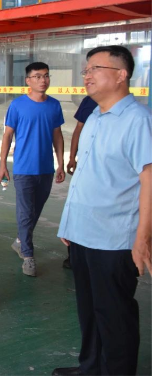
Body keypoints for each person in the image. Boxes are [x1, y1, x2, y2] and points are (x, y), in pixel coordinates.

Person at [52, 45, 151, 376]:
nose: (87, 75)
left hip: (114, 238)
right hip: (83, 233)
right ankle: (91, 367)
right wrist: (69, 224)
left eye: (95, 69)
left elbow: (149, 182)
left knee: (115, 314)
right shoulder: (94, 115)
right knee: (90, 310)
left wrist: (142, 239)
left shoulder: (138, 121)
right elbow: (89, 175)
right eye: (86, 70)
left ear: (121, 75)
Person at [0, 62, 65, 277]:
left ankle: (20, 241)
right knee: (25, 212)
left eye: (46, 76)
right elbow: (8, 135)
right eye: (37, 76)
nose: (42, 80)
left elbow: (57, 136)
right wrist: (3, 164)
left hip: (46, 168)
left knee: (35, 210)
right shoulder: (17, 105)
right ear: (28, 80)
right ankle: (28, 255)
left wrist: (60, 163)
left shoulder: (54, 105)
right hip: (23, 168)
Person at [62, 95, 97, 269]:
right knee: (78, 207)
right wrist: (72, 157)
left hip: (103, 173)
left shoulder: (137, 116)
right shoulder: (89, 101)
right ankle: (74, 254)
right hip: (84, 166)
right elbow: (78, 129)